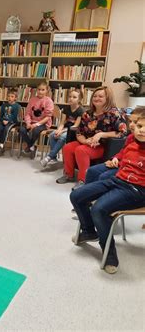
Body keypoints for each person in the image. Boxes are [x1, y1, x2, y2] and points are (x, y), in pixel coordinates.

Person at [70, 112, 145, 274]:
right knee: (77, 196)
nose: (141, 130)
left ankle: (110, 255)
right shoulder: (132, 139)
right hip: (118, 180)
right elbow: (123, 157)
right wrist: (116, 160)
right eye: (139, 126)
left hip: (137, 190)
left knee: (99, 210)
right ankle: (89, 231)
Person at [56, 86, 127, 189]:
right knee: (68, 147)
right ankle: (68, 174)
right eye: (95, 96)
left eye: (100, 96)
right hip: (87, 143)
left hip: (103, 146)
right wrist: (85, 141)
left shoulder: (114, 113)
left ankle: (83, 180)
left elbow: (122, 133)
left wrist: (101, 134)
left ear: (108, 98)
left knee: (81, 150)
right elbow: (79, 133)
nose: (97, 98)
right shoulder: (87, 114)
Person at [85, 107, 145, 183]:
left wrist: (118, 163)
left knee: (104, 176)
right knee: (92, 171)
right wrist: (115, 158)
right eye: (130, 121)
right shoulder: (130, 137)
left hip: (127, 168)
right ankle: (88, 192)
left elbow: (135, 160)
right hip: (119, 163)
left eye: (136, 122)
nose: (131, 125)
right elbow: (123, 151)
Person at [40, 89, 84, 167]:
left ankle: (49, 157)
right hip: (65, 129)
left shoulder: (81, 110)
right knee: (52, 135)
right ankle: (54, 158)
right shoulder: (66, 109)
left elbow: (75, 126)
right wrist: (59, 130)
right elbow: (62, 123)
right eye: (70, 96)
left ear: (79, 99)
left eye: (74, 97)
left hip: (73, 131)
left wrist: (62, 131)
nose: (71, 98)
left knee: (62, 137)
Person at [19, 82, 54, 159]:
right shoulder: (32, 100)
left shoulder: (49, 101)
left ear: (46, 91)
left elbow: (48, 117)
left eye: (43, 90)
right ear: (36, 90)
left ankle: (30, 146)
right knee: (21, 130)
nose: (40, 91)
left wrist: (36, 124)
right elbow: (27, 113)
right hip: (31, 122)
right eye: (39, 89)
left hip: (43, 123)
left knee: (35, 130)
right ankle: (32, 146)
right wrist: (28, 123)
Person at [0, 89, 21, 157]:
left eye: (12, 96)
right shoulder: (4, 105)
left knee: (6, 129)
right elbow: (1, 115)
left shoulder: (17, 106)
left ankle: (1, 146)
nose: (10, 98)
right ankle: (1, 145)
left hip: (12, 122)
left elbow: (15, 116)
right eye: (8, 96)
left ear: (15, 98)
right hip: (3, 120)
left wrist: (8, 121)